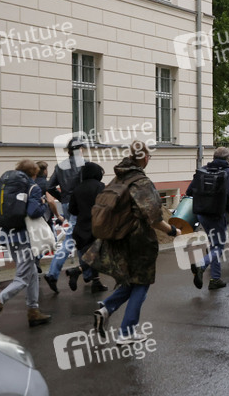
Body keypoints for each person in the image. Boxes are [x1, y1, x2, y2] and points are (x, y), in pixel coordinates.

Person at [93, 141, 181, 343]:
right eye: (149, 156)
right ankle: (126, 332)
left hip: (118, 238)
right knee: (142, 283)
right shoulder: (141, 182)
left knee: (132, 280)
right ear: (145, 158)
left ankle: (106, 308)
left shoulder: (119, 177)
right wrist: (172, 230)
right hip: (138, 240)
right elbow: (154, 219)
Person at [0, 160, 53, 328]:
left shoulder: (6, 188)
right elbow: (33, 212)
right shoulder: (32, 187)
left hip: (8, 236)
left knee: (32, 272)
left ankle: (33, 311)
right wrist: (43, 205)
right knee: (22, 277)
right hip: (24, 237)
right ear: (34, 173)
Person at [186, 146, 229, 290]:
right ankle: (201, 265)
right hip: (217, 215)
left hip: (202, 214)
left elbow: (189, 191)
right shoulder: (228, 172)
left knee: (214, 245)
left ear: (213, 157)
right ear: (227, 159)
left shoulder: (202, 170)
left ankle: (215, 278)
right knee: (218, 247)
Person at [45, 136, 87, 293]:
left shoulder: (60, 166)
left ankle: (88, 273)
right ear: (80, 149)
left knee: (79, 236)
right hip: (80, 204)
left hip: (66, 204)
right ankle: (53, 273)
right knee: (72, 239)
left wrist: (62, 197)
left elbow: (49, 186)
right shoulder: (84, 164)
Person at [66, 161, 108, 293]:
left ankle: (96, 282)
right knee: (100, 255)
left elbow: (72, 210)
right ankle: (78, 270)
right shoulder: (100, 186)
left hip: (81, 228)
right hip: (96, 227)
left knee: (91, 254)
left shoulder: (77, 188)